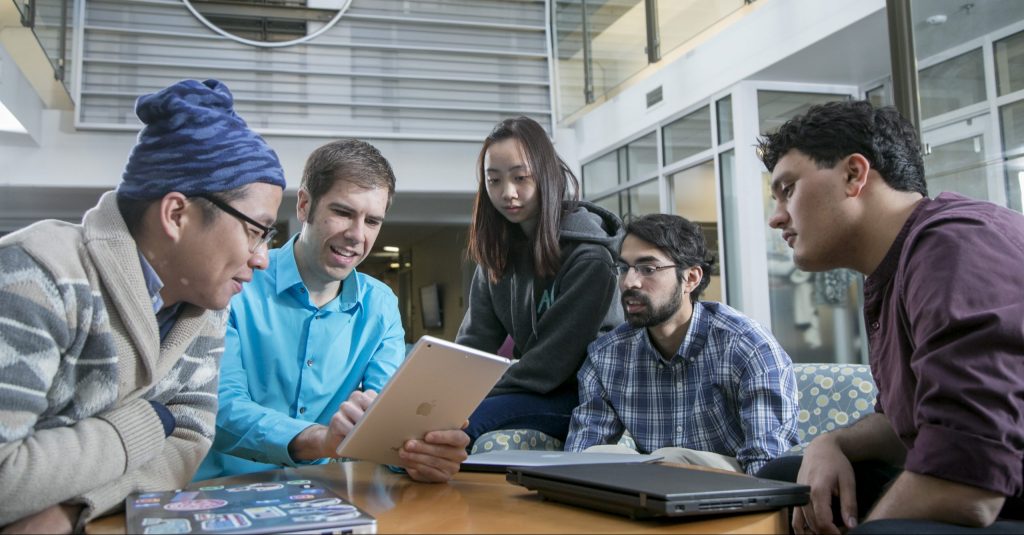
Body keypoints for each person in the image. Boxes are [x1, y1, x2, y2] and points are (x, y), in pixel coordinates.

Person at [0, 79, 285, 533]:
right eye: (256, 230)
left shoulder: (205, 301)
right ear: (176, 215)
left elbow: (190, 439)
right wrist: (152, 421)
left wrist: (75, 506)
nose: (262, 258)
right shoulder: (36, 274)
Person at [756, 100, 1024, 534]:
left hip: (992, 493)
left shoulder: (954, 247)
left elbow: (965, 484)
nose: (776, 217)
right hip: (996, 490)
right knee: (786, 480)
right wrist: (831, 441)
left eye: (788, 189)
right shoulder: (896, 269)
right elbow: (906, 426)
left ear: (853, 175)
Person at [196, 139, 468, 484]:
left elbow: (388, 422)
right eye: (343, 213)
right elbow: (221, 408)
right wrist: (320, 440)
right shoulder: (238, 284)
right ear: (305, 205)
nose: (357, 235)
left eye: (372, 221)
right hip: (226, 492)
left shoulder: (381, 305)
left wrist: (420, 453)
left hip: (332, 496)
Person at [564, 213, 798, 474]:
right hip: (651, 496)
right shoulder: (606, 356)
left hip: (735, 492)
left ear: (691, 278)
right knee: (599, 455)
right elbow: (580, 455)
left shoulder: (748, 346)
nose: (630, 282)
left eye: (648, 269)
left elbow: (767, 464)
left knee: (672, 459)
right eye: (623, 268)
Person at [455, 116, 624, 446]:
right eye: (494, 181)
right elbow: (473, 345)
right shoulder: (497, 256)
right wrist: (440, 389)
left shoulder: (590, 258)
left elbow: (547, 368)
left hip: (584, 398)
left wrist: (467, 395)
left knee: (456, 426)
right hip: (532, 390)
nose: (508, 193)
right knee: (423, 418)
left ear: (546, 175)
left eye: (521, 177)